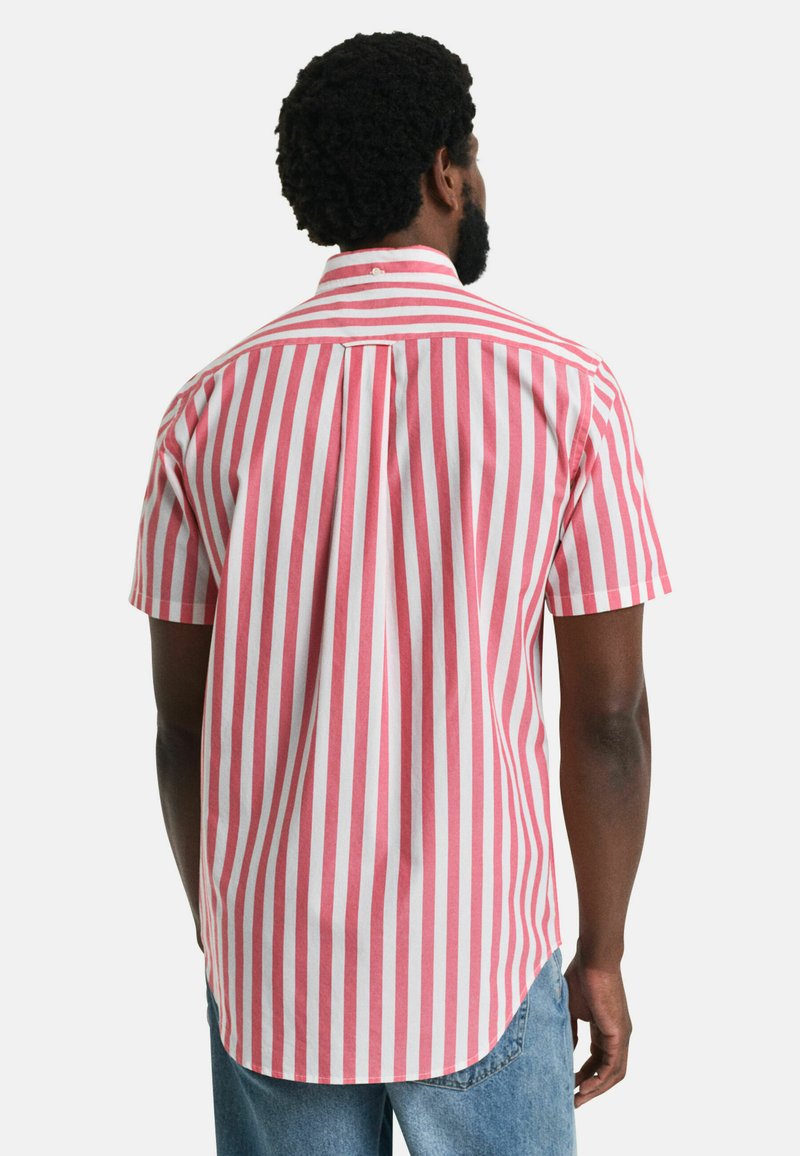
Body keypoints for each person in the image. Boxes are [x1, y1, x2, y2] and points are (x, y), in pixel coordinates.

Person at [128, 29, 672, 1156]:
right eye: (473, 154)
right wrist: (602, 951)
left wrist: (224, 936)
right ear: (443, 172)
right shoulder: (566, 392)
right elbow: (607, 718)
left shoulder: (205, 411)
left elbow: (182, 731)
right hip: (481, 959)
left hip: (272, 970)